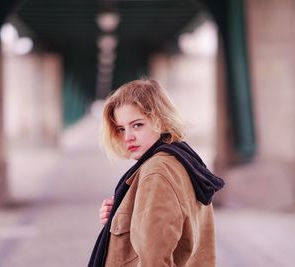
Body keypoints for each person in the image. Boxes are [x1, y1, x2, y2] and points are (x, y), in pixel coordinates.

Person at [89, 79, 224, 267]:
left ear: (161, 120)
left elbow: (154, 260)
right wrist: (120, 214)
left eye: (137, 125)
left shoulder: (157, 172)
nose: (128, 137)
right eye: (121, 129)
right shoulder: (182, 159)